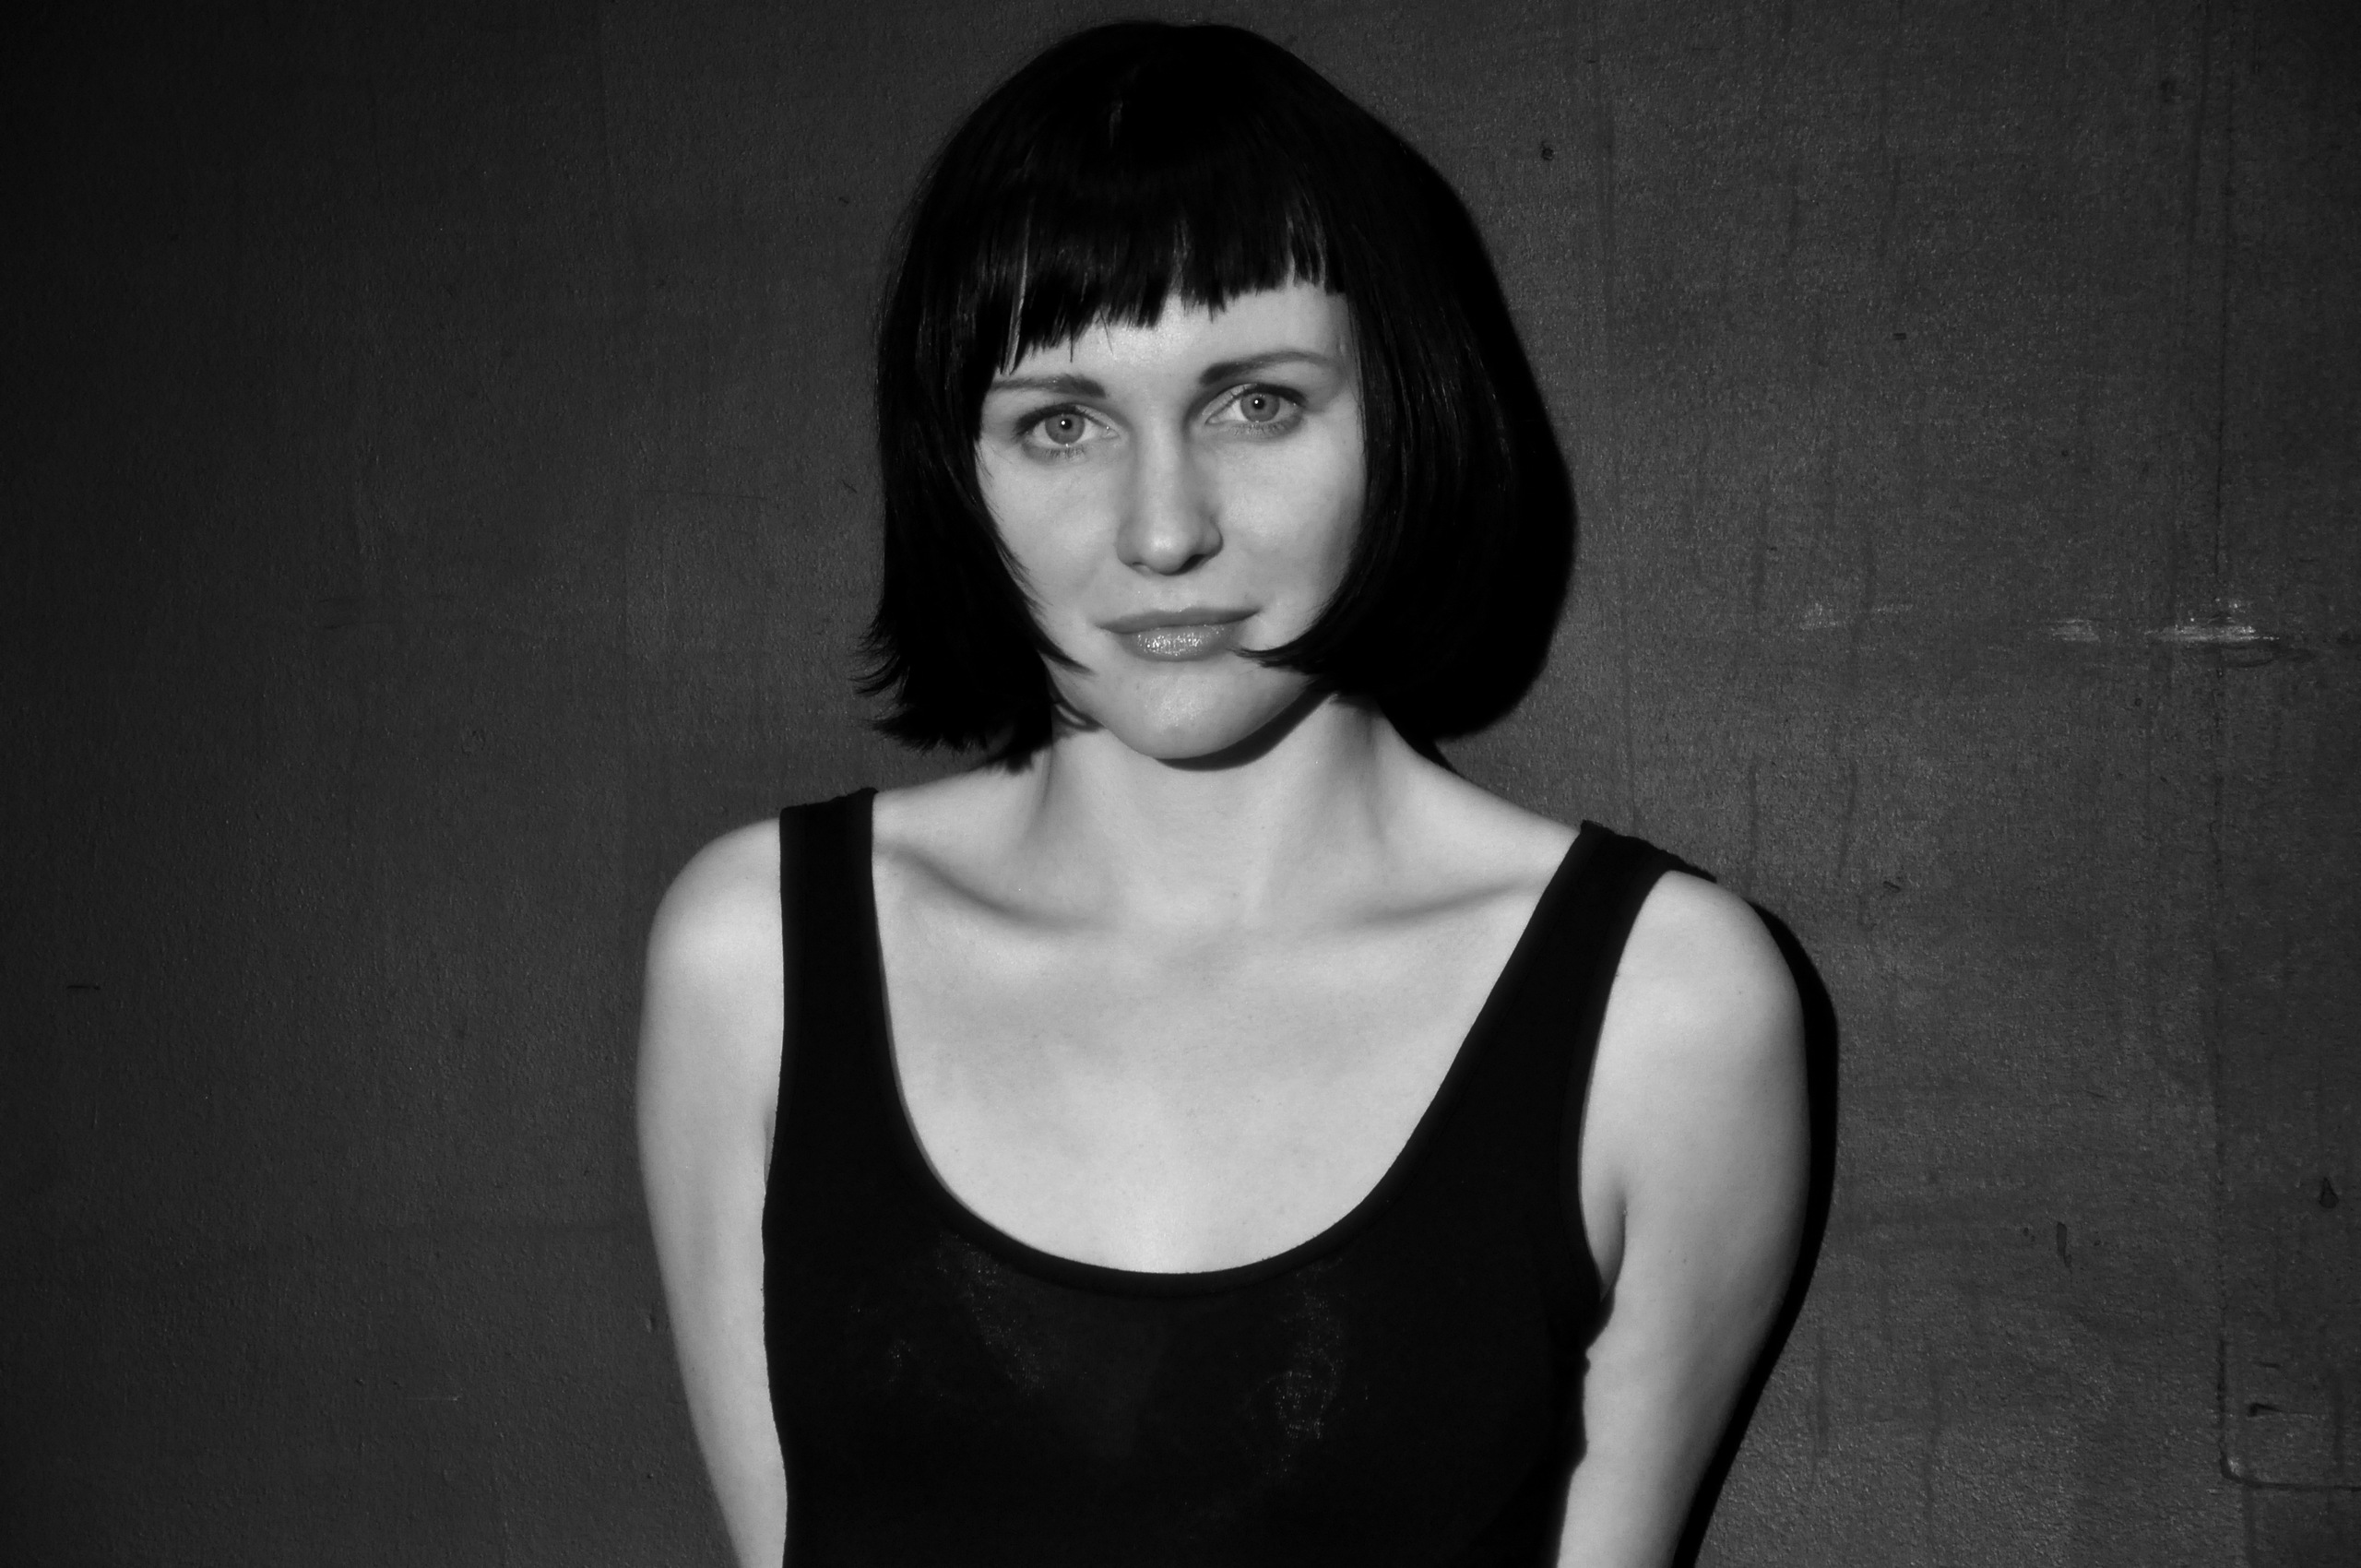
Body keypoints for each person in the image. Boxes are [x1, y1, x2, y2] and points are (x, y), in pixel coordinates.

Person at [637, 20, 1807, 1568]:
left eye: (1254, 402)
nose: (1163, 528)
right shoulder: (756, 957)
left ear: (1403, 409)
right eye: (1061, 423)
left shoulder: (1667, 1006)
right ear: (955, 468)